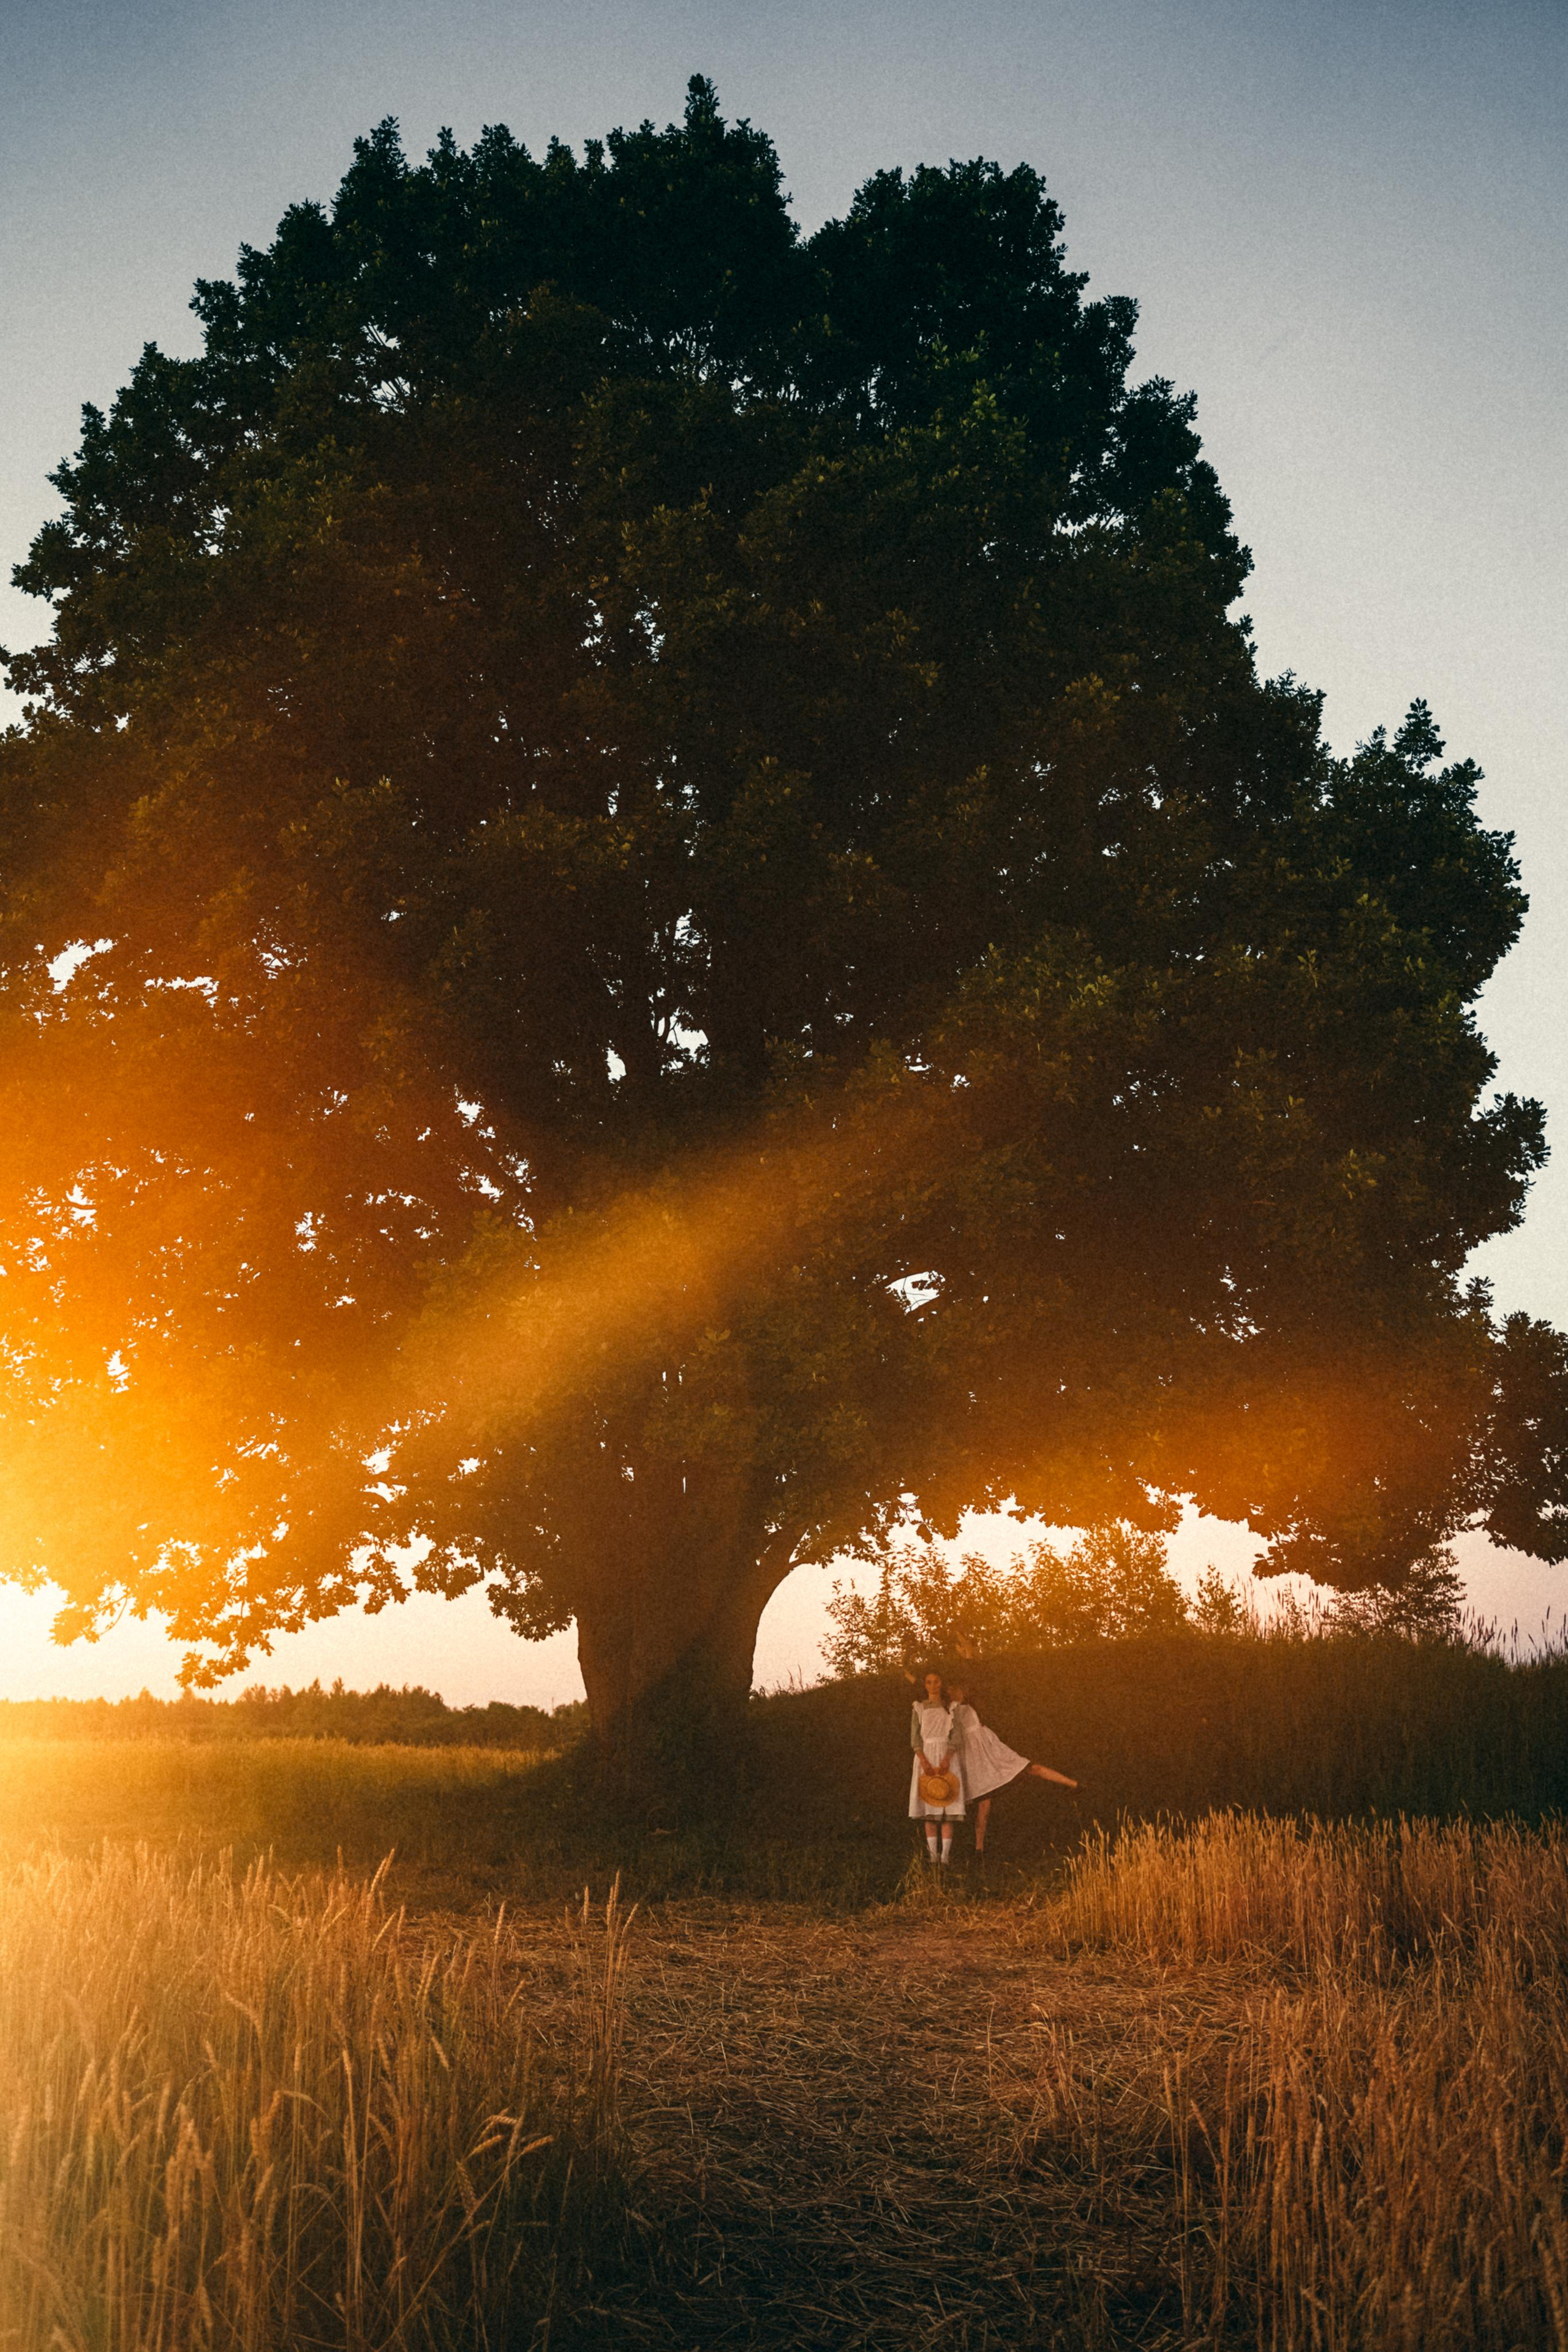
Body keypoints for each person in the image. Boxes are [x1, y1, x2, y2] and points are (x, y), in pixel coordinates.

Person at [946, 1677, 1077, 1857]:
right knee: (983, 1804)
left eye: (958, 1690)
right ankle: (979, 1850)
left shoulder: (974, 1705)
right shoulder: (950, 1710)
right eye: (952, 1691)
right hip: (976, 1760)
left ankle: (1075, 1785)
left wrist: (967, 1654)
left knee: (1031, 1768)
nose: (956, 1694)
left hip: (992, 1751)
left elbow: (973, 1676)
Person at [908, 1668, 965, 1866]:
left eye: (937, 1682)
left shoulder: (951, 1707)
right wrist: (923, 1760)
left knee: (947, 1803)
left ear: (941, 1684)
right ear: (925, 1685)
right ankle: (933, 1856)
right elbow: (915, 1737)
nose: (933, 1686)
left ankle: (945, 1857)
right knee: (930, 1805)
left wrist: (948, 1758)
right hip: (926, 1757)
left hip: (946, 1756)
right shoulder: (919, 1708)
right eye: (929, 1682)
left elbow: (956, 1736)